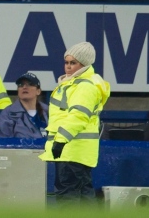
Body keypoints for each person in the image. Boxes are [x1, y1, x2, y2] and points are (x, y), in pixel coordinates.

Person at [39, 42, 110, 206]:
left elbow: (78, 116)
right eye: (67, 62)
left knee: (68, 197)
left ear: (84, 64)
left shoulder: (84, 87)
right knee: (84, 195)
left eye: (73, 63)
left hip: (71, 149)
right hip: (76, 151)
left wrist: (60, 140)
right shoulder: (78, 84)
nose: (68, 67)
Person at [0, 72, 48, 139]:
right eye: (21, 84)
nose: (24, 87)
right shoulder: (8, 114)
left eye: (30, 84)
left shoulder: (48, 111)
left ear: (38, 91)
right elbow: (2, 143)